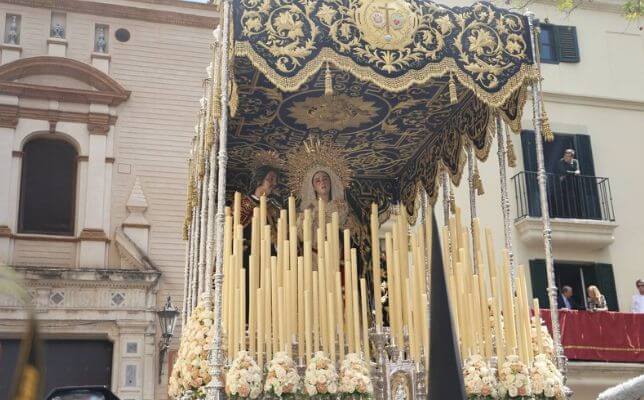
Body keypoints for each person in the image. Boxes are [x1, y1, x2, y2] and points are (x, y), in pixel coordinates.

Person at [555, 149, 581, 218]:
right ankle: (562, 215)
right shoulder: (561, 161)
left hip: (572, 184)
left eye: (568, 156)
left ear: (572, 157)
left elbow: (578, 171)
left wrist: (574, 173)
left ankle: (574, 215)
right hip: (562, 184)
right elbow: (564, 171)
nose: (566, 158)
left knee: (572, 199)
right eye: (565, 156)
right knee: (563, 199)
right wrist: (574, 173)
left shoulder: (575, 161)